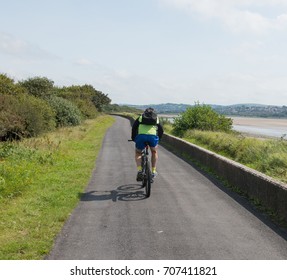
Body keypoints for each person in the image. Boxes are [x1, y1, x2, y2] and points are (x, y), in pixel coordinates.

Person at [131, 107, 164, 181]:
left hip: (141, 137)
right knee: (154, 152)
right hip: (152, 137)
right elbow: (161, 129)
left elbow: (134, 128)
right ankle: (153, 171)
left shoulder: (140, 117)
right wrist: (159, 138)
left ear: (145, 112)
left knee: (138, 152)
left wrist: (134, 138)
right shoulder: (156, 118)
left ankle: (139, 170)